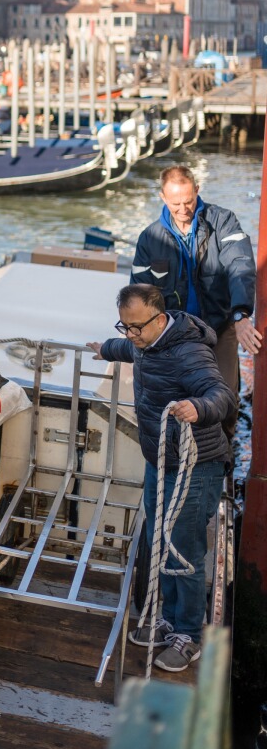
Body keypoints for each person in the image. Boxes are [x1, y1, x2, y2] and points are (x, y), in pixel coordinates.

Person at [88, 283, 234, 672]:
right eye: (125, 326)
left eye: (136, 327)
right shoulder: (142, 341)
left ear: (160, 316)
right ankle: (168, 618)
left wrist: (198, 407)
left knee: (182, 548)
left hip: (195, 467)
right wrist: (105, 347)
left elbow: (221, 394)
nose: (131, 334)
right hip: (160, 460)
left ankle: (188, 635)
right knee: (159, 539)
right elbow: (128, 350)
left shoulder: (189, 352)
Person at [130, 163, 259, 437]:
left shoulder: (223, 221)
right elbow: (139, 294)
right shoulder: (149, 238)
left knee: (224, 400)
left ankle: (223, 462)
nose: (183, 209)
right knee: (172, 403)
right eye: (175, 202)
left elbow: (240, 265)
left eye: (188, 201)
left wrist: (241, 315)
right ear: (163, 198)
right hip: (172, 336)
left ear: (197, 191)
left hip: (219, 328)